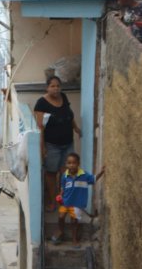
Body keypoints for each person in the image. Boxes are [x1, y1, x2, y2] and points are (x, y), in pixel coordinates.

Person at [34, 75, 81, 210]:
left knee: (66, 172)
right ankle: (53, 202)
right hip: (52, 145)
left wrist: (76, 128)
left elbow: (69, 115)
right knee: (51, 173)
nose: (56, 89)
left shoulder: (63, 97)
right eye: (53, 86)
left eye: (58, 86)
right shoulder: (41, 103)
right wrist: (42, 148)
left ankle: (64, 199)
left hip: (68, 143)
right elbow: (40, 128)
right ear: (47, 88)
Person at [52, 153, 104, 245]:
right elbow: (63, 188)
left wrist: (102, 172)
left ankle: (74, 239)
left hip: (77, 203)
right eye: (69, 163)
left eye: (74, 163)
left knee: (74, 221)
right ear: (66, 164)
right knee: (61, 217)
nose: (71, 165)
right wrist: (60, 195)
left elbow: (93, 179)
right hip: (65, 201)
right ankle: (60, 231)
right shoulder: (64, 176)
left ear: (78, 163)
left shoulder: (84, 175)